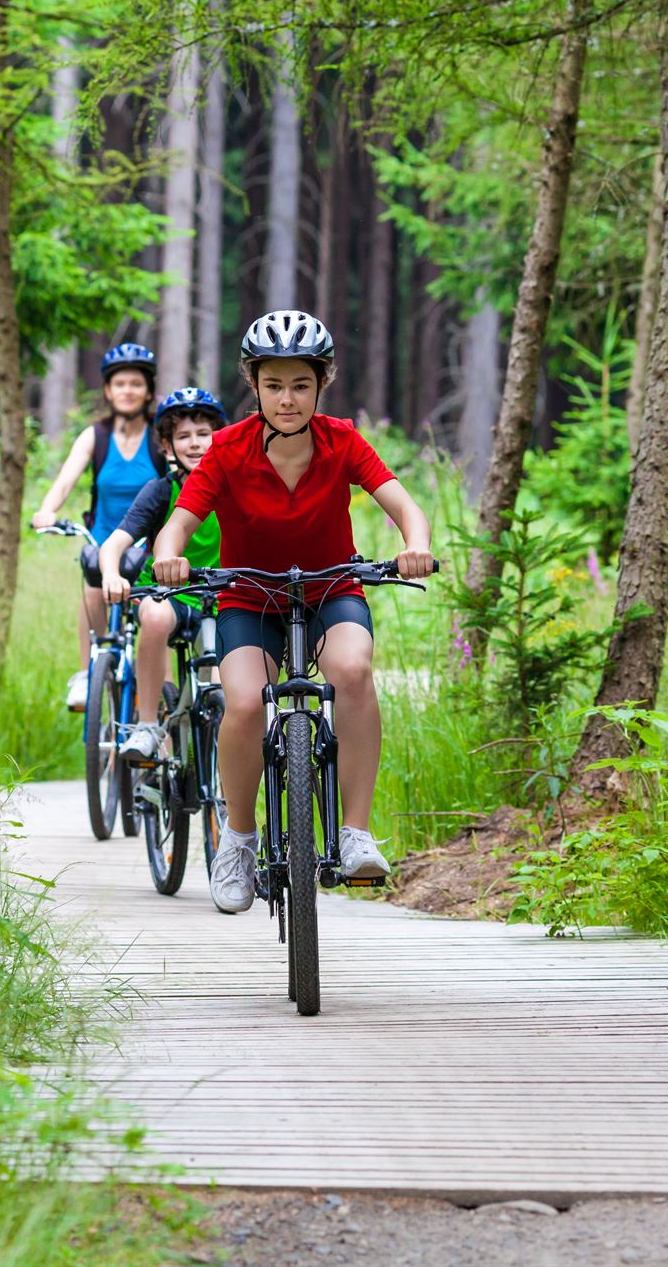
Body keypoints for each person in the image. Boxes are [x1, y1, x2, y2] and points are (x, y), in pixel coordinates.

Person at [150, 311, 434, 915]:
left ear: (321, 384)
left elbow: (404, 505)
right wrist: (169, 558)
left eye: (300, 385)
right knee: (247, 702)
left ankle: (355, 834)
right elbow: (176, 526)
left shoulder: (342, 440)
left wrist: (415, 545)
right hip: (249, 596)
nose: (287, 398)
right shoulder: (226, 449)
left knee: (354, 672)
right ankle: (239, 839)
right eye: (274, 384)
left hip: (332, 589)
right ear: (253, 385)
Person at [31, 342, 165, 711]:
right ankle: (87, 672)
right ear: (107, 390)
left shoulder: (159, 438)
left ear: (149, 390)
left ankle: (159, 704)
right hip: (103, 540)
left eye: (136, 384)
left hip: (147, 549)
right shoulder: (96, 437)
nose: (127, 391)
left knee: (155, 622)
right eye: (120, 384)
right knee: (92, 581)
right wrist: (46, 510)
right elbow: (64, 481)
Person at [98, 387, 227, 764]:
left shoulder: (236, 488)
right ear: (168, 448)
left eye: (203, 434)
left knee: (228, 693)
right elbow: (114, 544)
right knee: (152, 614)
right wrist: (111, 575)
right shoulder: (160, 491)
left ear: (219, 439)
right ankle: (148, 725)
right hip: (170, 598)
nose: (195, 444)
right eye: (183, 437)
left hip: (222, 599)